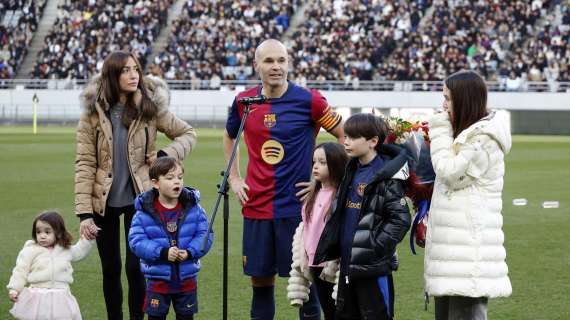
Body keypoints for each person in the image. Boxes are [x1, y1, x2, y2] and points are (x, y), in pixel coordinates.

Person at [223, 39, 344, 320]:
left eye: (281, 60)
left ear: (288, 63)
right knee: (261, 284)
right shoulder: (244, 102)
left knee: (305, 284)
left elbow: (343, 136)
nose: (276, 66)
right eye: (268, 61)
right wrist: (235, 178)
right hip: (256, 207)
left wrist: (324, 183)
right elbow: (230, 136)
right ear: (256, 65)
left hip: (298, 209)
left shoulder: (310, 100)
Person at [75, 51, 197, 320]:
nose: (134, 75)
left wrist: (165, 156)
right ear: (111, 76)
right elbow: (84, 163)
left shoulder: (150, 108)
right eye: (125, 70)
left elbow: (188, 133)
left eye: (136, 69)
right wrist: (84, 213)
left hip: (140, 200)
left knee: (136, 267)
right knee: (110, 268)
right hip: (102, 201)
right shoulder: (92, 113)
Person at [424, 70, 512, 320]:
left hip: (468, 252)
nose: (443, 105)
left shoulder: (485, 139)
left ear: (465, 100)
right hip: (451, 250)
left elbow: (449, 172)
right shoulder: (465, 134)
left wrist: (439, 131)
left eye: (448, 98)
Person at [314, 113, 412, 320]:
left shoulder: (386, 175)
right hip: (347, 265)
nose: (345, 141)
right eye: (345, 136)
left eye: (352, 137)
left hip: (372, 269)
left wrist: (373, 247)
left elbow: (400, 219)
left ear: (373, 141)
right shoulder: (351, 168)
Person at [128, 156, 213, 320]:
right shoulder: (144, 211)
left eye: (180, 177)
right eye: (170, 178)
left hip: (187, 280)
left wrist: (189, 252)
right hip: (158, 282)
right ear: (155, 183)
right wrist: (162, 252)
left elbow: (205, 235)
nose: (177, 182)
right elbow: (136, 241)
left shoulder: (193, 207)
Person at [288, 142, 348, 320]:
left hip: (332, 265)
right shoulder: (312, 195)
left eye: (323, 162)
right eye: (314, 161)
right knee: (328, 311)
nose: (316, 166)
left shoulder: (340, 196)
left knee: (340, 311)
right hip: (314, 264)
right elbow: (307, 228)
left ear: (336, 164)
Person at [7, 211, 94, 320]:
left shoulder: (65, 249)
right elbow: (20, 271)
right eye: (38, 232)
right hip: (38, 297)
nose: (42, 236)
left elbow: (79, 251)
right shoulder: (30, 250)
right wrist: (14, 289)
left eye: (47, 232)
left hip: (61, 297)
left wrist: (87, 239)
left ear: (58, 233)